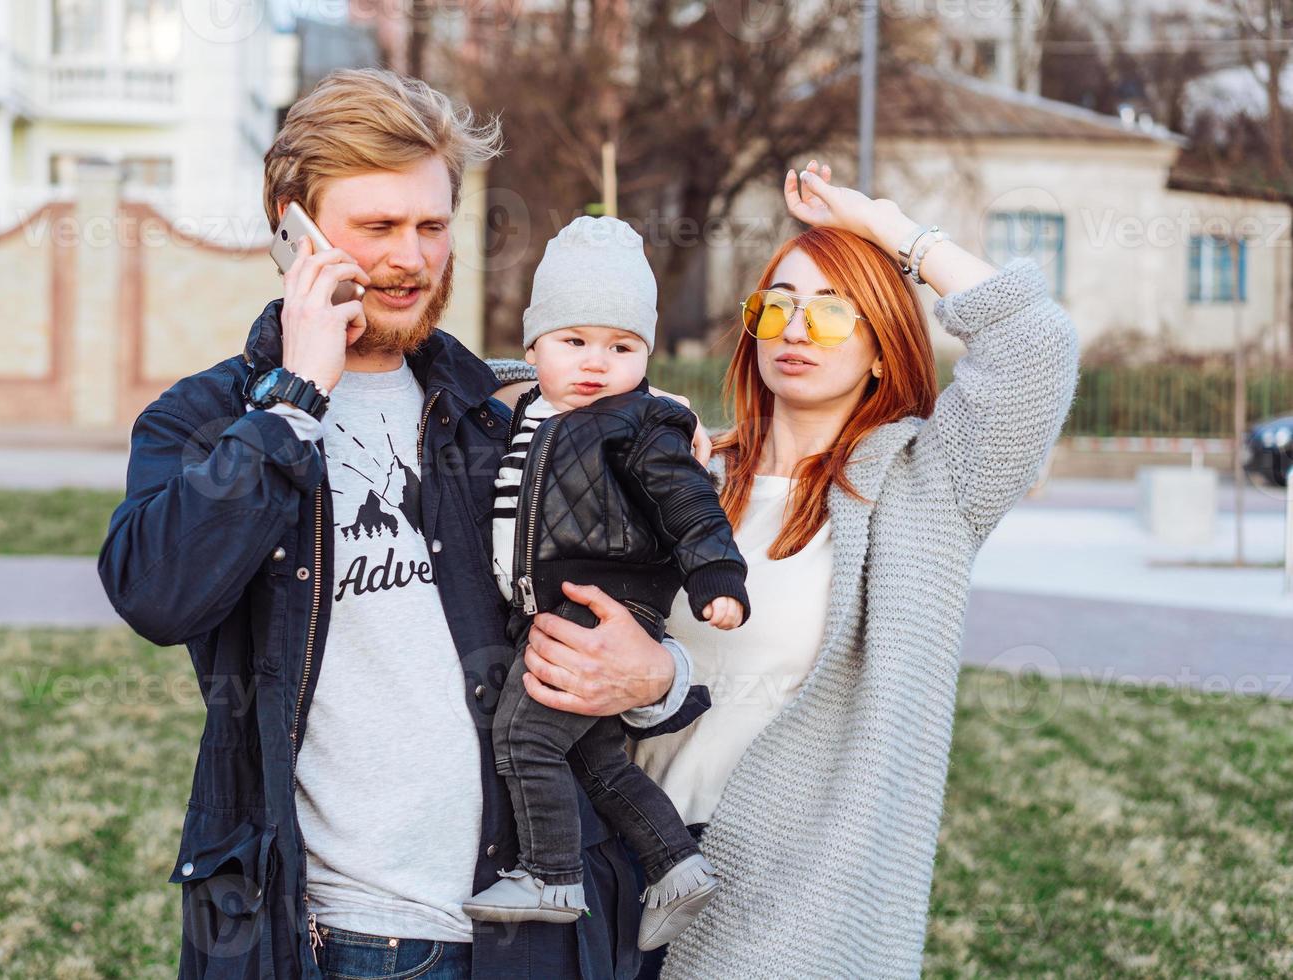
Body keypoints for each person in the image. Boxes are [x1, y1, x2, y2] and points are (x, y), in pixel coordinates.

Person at [97, 68, 707, 980]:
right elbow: (157, 593)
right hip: (340, 939)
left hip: (540, 933)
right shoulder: (212, 421)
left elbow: (660, 621)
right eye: (376, 228)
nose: (411, 258)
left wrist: (657, 677)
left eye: (430, 226)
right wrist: (295, 400)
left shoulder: (517, 413)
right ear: (291, 227)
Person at [626, 161, 1081, 979]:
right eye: (779, 307)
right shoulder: (683, 471)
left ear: (882, 347)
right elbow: (524, 392)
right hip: (618, 864)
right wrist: (629, 416)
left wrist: (886, 227)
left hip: (784, 896)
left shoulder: (929, 486)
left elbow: (1033, 341)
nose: (797, 331)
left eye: (834, 313)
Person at [461, 216, 747, 951]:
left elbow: (688, 502)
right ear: (533, 348)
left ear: (645, 357)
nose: (595, 362)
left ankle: (551, 876)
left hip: (604, 608)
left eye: (621, 347)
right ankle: (677, 866)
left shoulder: (643, 424)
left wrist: (716, 573)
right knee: (592, 756)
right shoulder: (528, 409)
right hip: (548, 613)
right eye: (573, 341)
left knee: (523, 736)